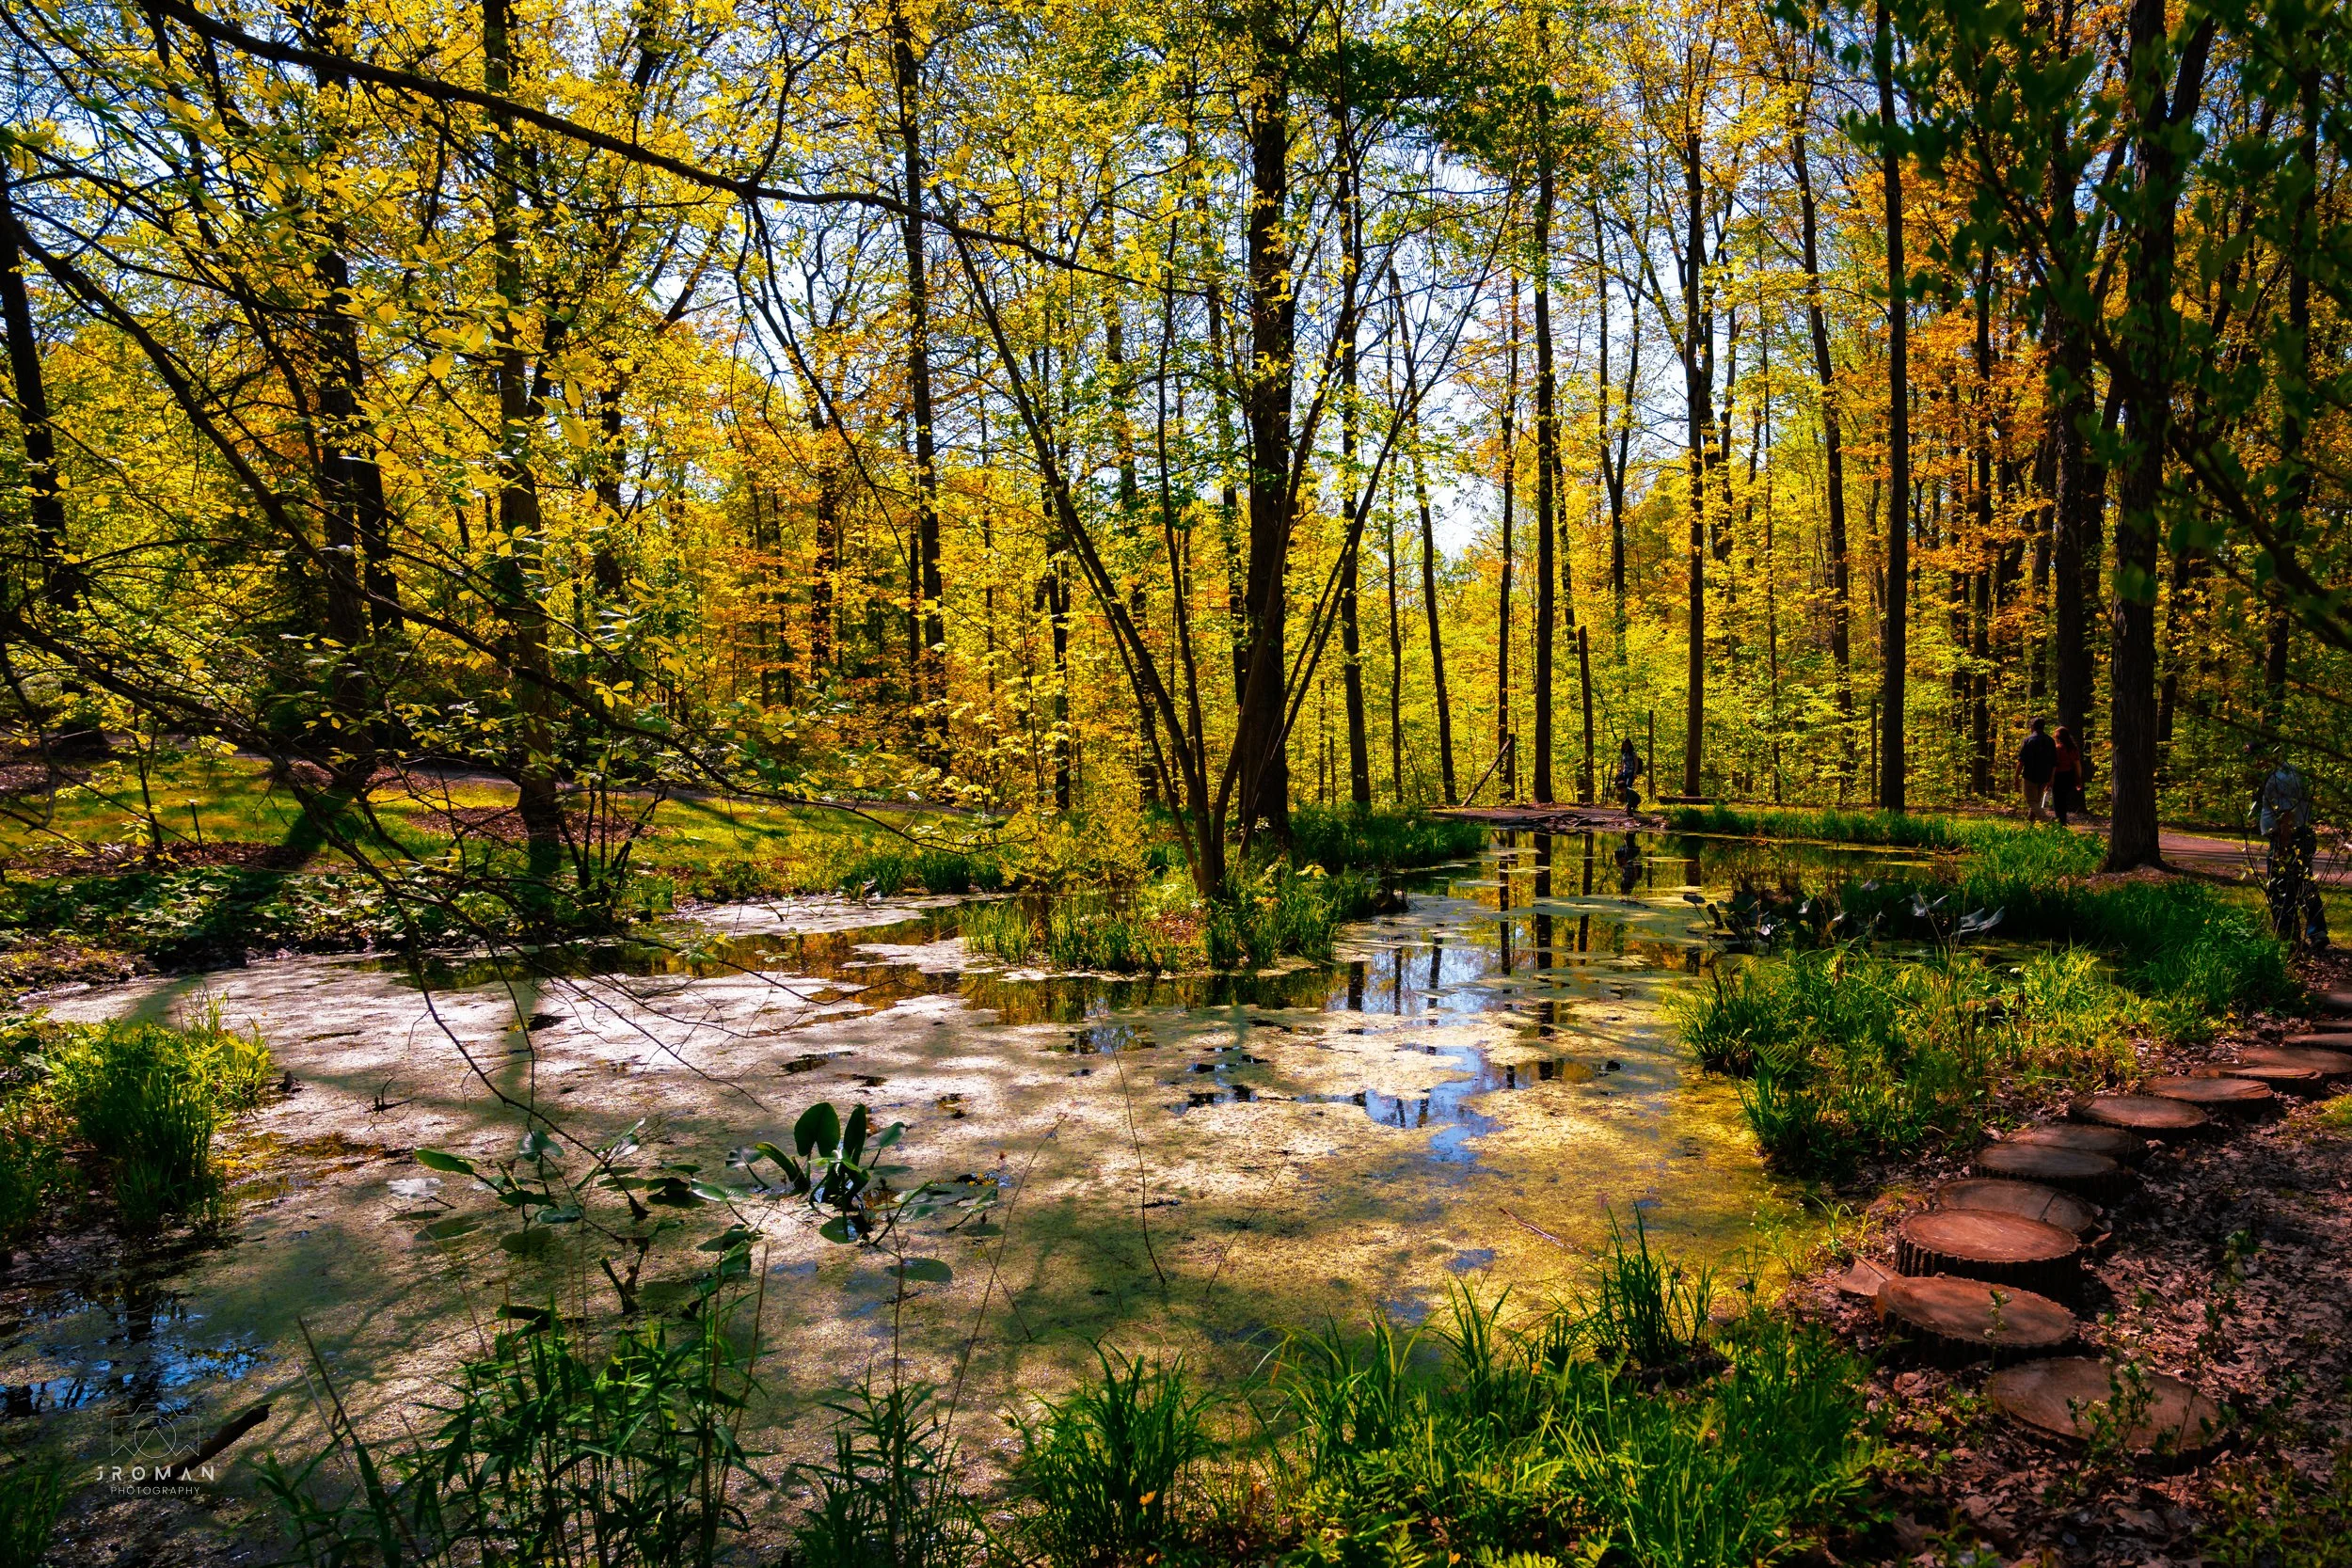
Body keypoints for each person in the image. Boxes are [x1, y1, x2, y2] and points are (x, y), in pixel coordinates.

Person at [2258, 752, 2329, 950]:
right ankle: (2317, 932)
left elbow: (2286, 813)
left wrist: (2283, 843)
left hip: (2287, 837)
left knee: (2282, 888)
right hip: (2298, 835)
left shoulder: (2280, 777)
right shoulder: (2291, 771)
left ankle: (2289, 938)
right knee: (2303, 885)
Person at [2017, 719, 2057, 825]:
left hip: (2030, 775)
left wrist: (2016, 777)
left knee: (2031, 802)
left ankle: (2046, 821)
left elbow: (2021, 761)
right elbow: (2054, 762)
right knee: (2036, 802)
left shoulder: (2028, 740)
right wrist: (2051, 778)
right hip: (2045, 776)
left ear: (2033, 726)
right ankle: (2029, 825)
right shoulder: (2050, 741)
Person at [2051, 725, 2084, 827]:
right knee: (2063, 798)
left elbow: (2054, 766)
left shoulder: (2057, 749)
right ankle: (2063, 819)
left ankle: (2059, 819)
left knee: (2057, 798)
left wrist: (2050, 778)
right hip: (2069, 775)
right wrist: (2078, 778)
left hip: (2058, 776)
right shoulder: (2072, 749)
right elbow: (2077, 764)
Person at [1613, 739, 1646, 813]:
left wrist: (1635, 772)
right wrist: (1620, 772)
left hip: (1631, 772)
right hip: (1625, 772)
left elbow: (1636, 763)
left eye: (1626, 745)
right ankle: (1627, 805)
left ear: (1629, 745)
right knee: (1622, 788)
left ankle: (1629, 806)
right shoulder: (1624, 754)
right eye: (1623, 745)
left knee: (1628, 787)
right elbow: (1623, 764)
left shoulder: (1633, 753)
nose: (1624, 746)